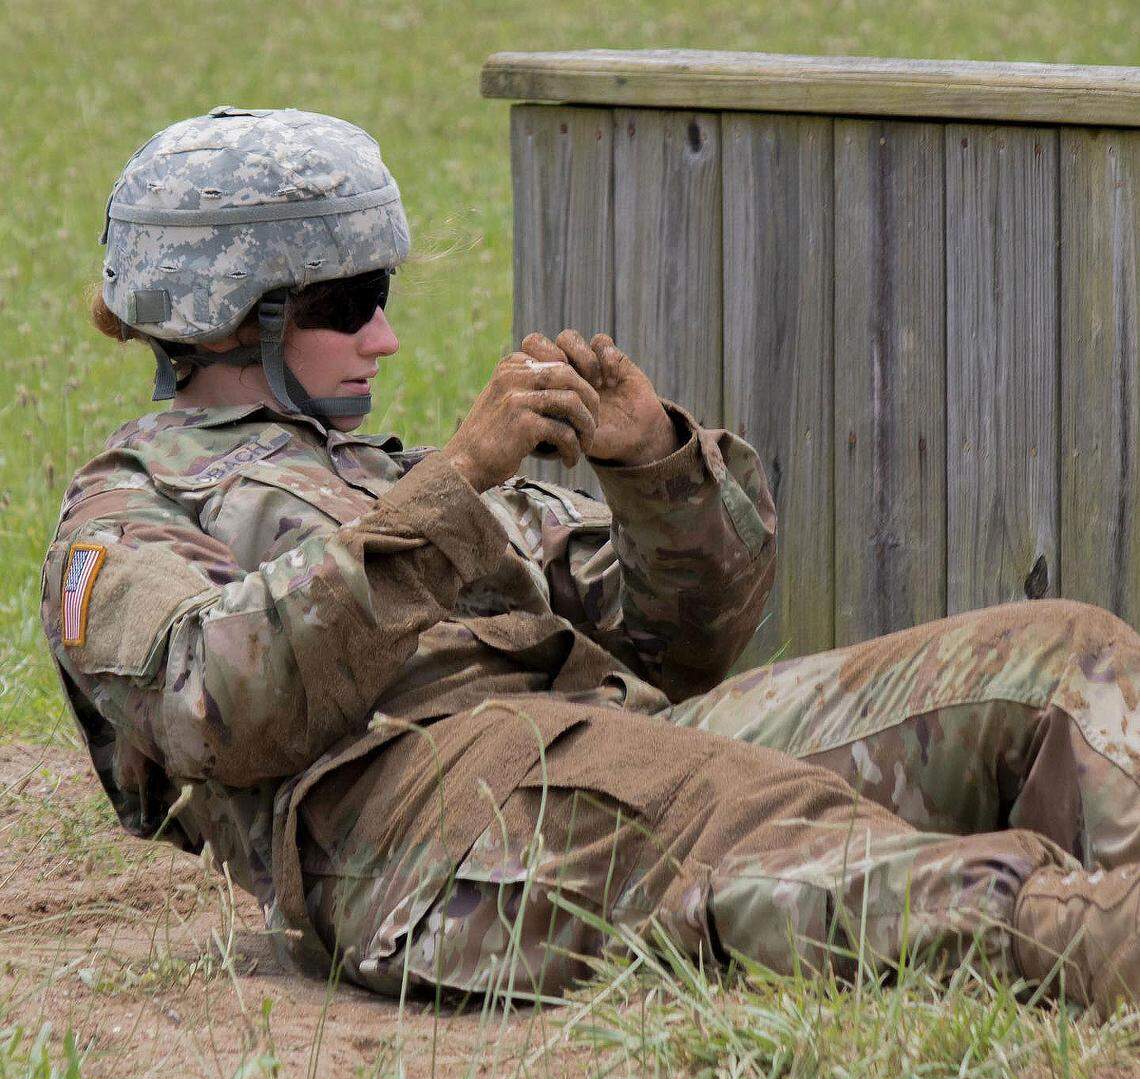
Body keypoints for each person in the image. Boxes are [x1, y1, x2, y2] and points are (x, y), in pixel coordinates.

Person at [40, 106, 1140, 1014]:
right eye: (346, 304)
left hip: (617, 748)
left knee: (1060, 659)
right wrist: (452, 491)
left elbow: (683, 639)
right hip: (418, 822)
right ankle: (1090, 940)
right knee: (759, 826)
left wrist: (652, 464)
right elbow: (213, 708)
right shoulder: (125, 516)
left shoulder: (393, 474)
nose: (385, 337)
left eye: (383, 295)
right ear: (228, 320)